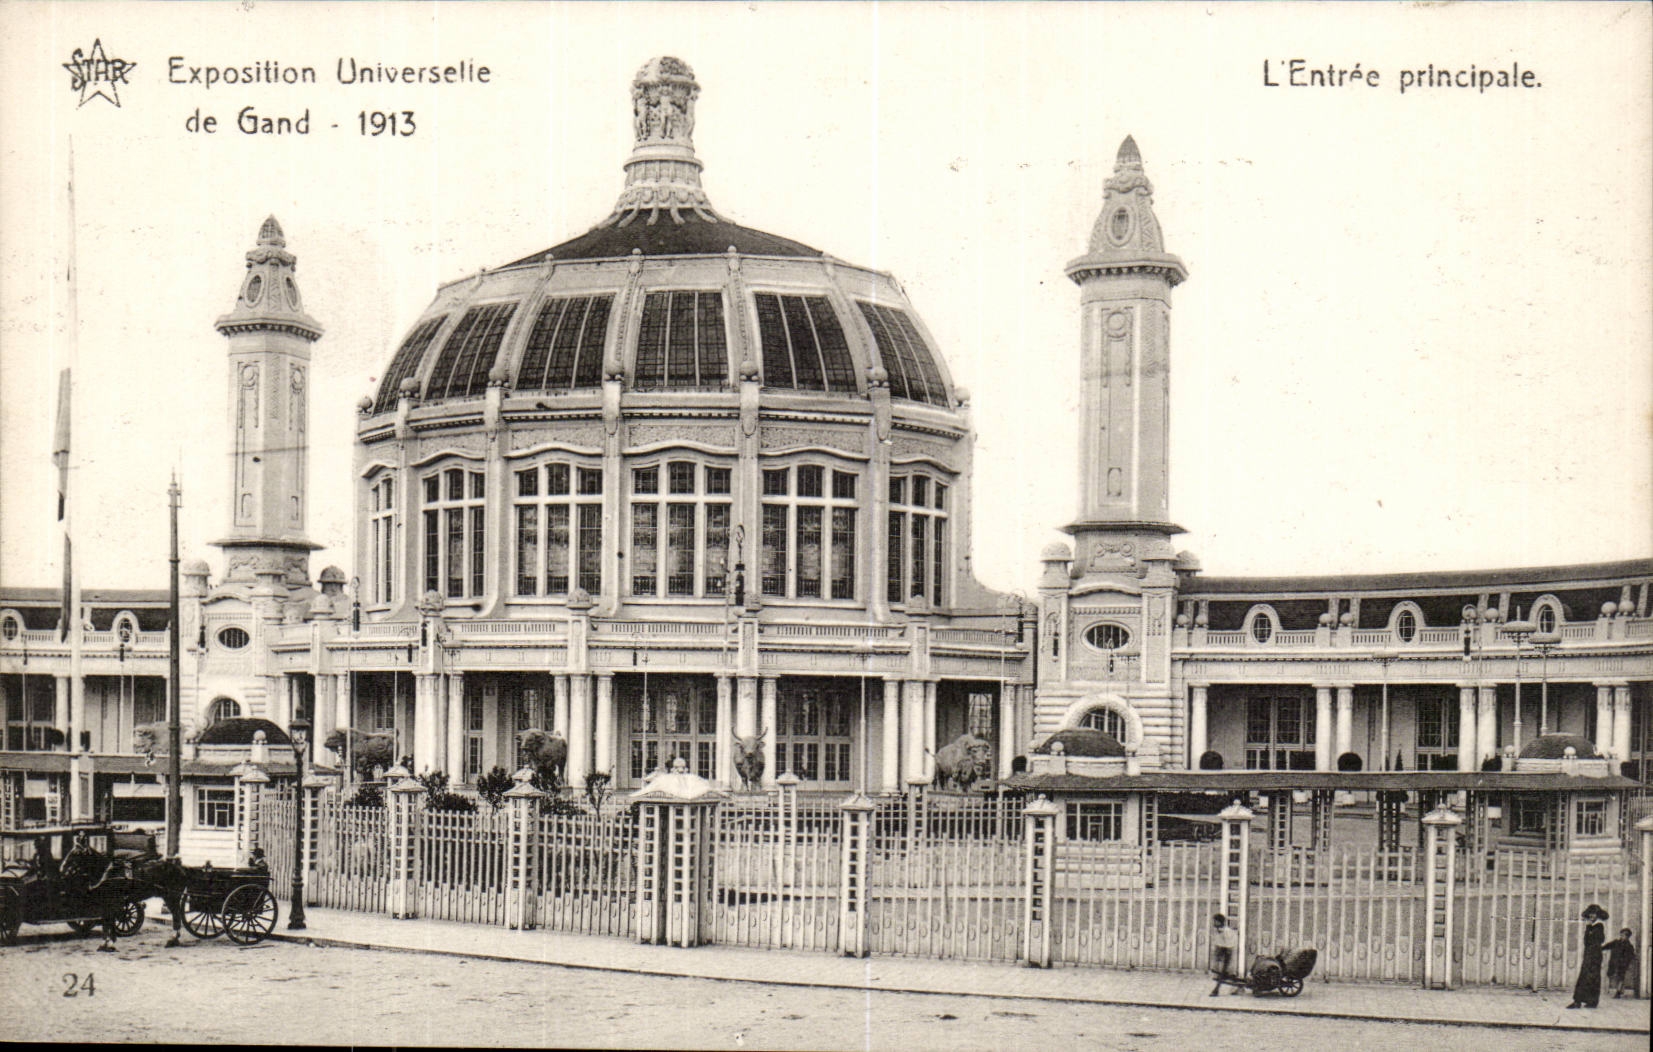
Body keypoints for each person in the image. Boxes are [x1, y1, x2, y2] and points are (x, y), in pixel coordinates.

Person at [1567, 904, 1608, 1009]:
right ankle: (1590, 1001)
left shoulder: (1599, 926)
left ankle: (1579, 1001)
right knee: (1589, 977)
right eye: (1590, 914)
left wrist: (1590, 929)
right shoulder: (1590, 926)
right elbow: (1586, 941)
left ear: (1597, 915)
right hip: (1590, 954)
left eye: (1594, 914)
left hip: (1594, 955)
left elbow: (1598, 940)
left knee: (1588, 977)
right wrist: (1589, 928)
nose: (1591, 916)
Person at [1602, 928, 1638, 1000]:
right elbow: (1607, 946)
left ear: (1627, 937)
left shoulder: (1629, 946)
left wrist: (1627, 962)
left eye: (1624, 935)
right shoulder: (1616, 942)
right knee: (1610, 975)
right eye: (1621, 934)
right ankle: (1620, 989)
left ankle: (1618, 992)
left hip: (1622, 964)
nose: (1622, 936)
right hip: (1613, 962)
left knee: (1620, 977)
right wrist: (1600, 948)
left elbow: (1631, 955)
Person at [1210, 913, 1239, 996]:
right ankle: (1236, 988)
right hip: (1220, 956)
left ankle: (1216, 990)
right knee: (1225, 975)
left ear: (1219, 922)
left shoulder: (1227, 932)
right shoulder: (1218, 931)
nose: (1213, 923)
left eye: (1215, 921)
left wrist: (1225, 958)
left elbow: (1229, 946)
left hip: (1226, 955)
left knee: (1222, 975)